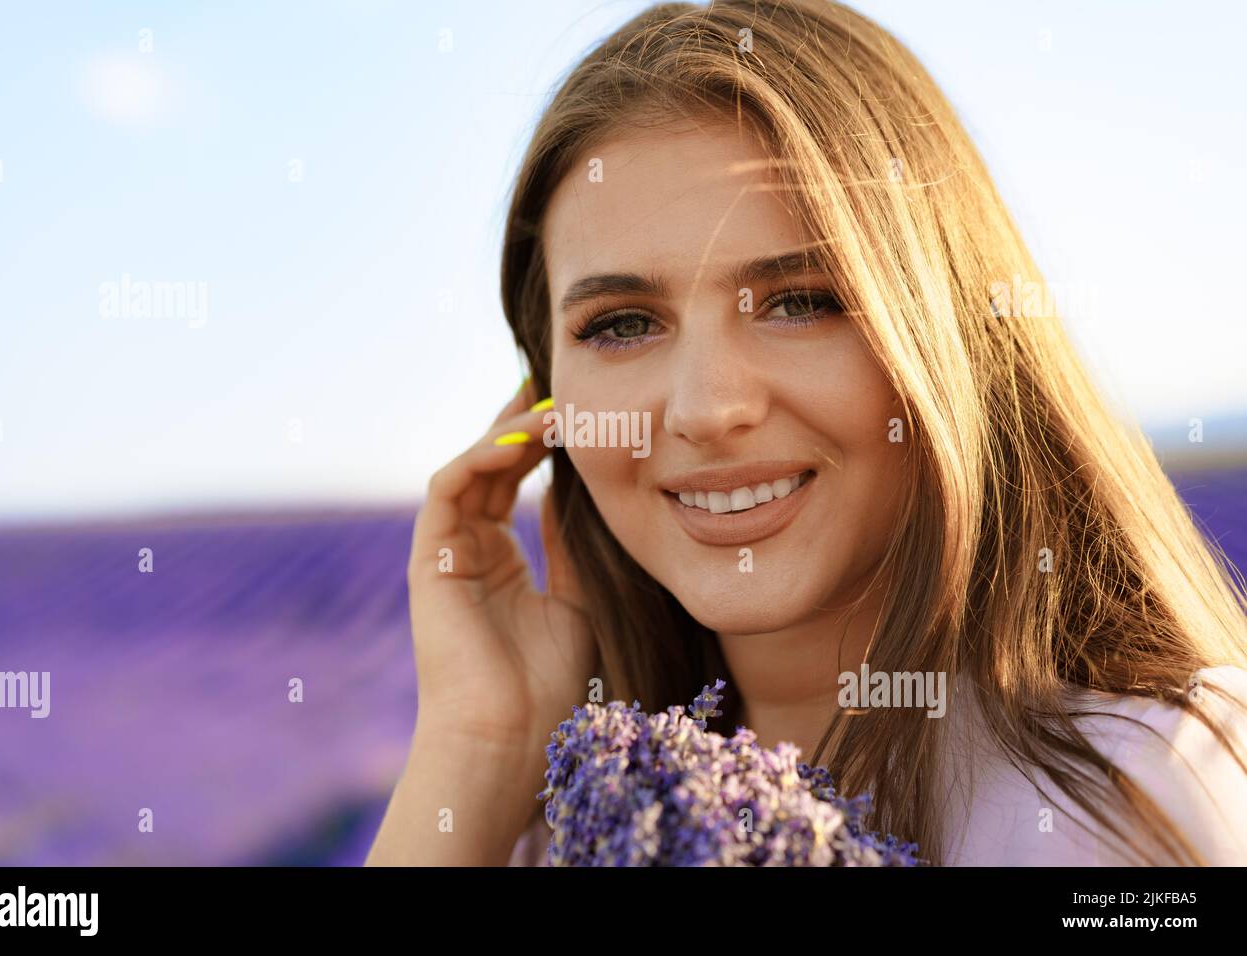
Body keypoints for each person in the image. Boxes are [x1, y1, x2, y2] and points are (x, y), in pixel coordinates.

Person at [367, 0, 1247, 867]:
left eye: (802, 302)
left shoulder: (1165, 787)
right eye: (622, 324)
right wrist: (477, 744)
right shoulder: (555, 829)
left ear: (961, 340)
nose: (706, 409)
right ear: (546, 399)